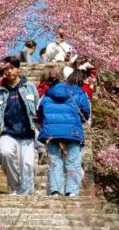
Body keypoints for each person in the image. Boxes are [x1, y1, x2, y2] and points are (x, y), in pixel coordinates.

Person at [36, 64, 91, 197]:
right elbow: (86, 112)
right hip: (72, 132)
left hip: (52, 132)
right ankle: (72, 192)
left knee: (55, 162)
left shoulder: (47, 94)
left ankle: (56, 191)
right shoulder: (78, 92)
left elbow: (39, 112)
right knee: (73, 161)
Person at [0, 55, 39, 195]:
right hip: (8, 131)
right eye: (6, 69)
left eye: (12, 68)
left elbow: (37, 106)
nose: (9, 72)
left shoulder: (29, 86)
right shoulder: (0, 89)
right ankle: (15, 186)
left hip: (27, 132)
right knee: (4, 153)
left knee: (27, 165)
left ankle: (25, 193)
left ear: (18, 69)